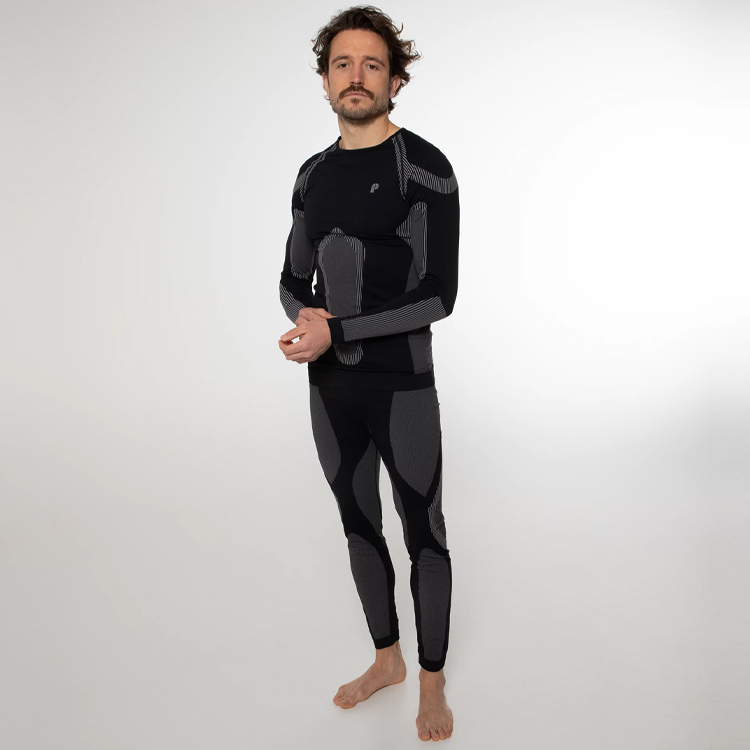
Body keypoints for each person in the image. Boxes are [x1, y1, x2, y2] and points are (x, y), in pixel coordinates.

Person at [277, 5, 459, 743]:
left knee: (423, 531)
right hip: (330, 389)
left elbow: (439, 295)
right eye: (343, 64)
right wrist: (306, 321)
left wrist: (339, 330)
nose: (356, 76)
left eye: (372, 65)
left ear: (394, 81)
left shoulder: (424, 168)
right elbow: (293, 278)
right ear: (326, 79)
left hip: (401, 384)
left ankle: (432, 680)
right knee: (358, 524)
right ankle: (387, 659)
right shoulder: (312, 174)